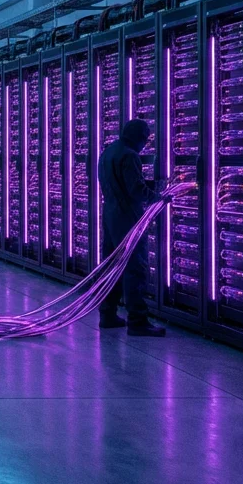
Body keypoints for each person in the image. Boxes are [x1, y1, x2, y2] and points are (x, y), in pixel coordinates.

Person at [97, 119, 165, 337]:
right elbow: (135, 190)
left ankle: (107, 314)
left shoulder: (108, 152)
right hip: (128, 218)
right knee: (135, 268)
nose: (144, 145)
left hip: (110, 215)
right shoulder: (130, 155)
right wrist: (158, 198)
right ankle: (138, 320)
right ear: (139, 137)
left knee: (111, 267)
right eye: (145, 140)